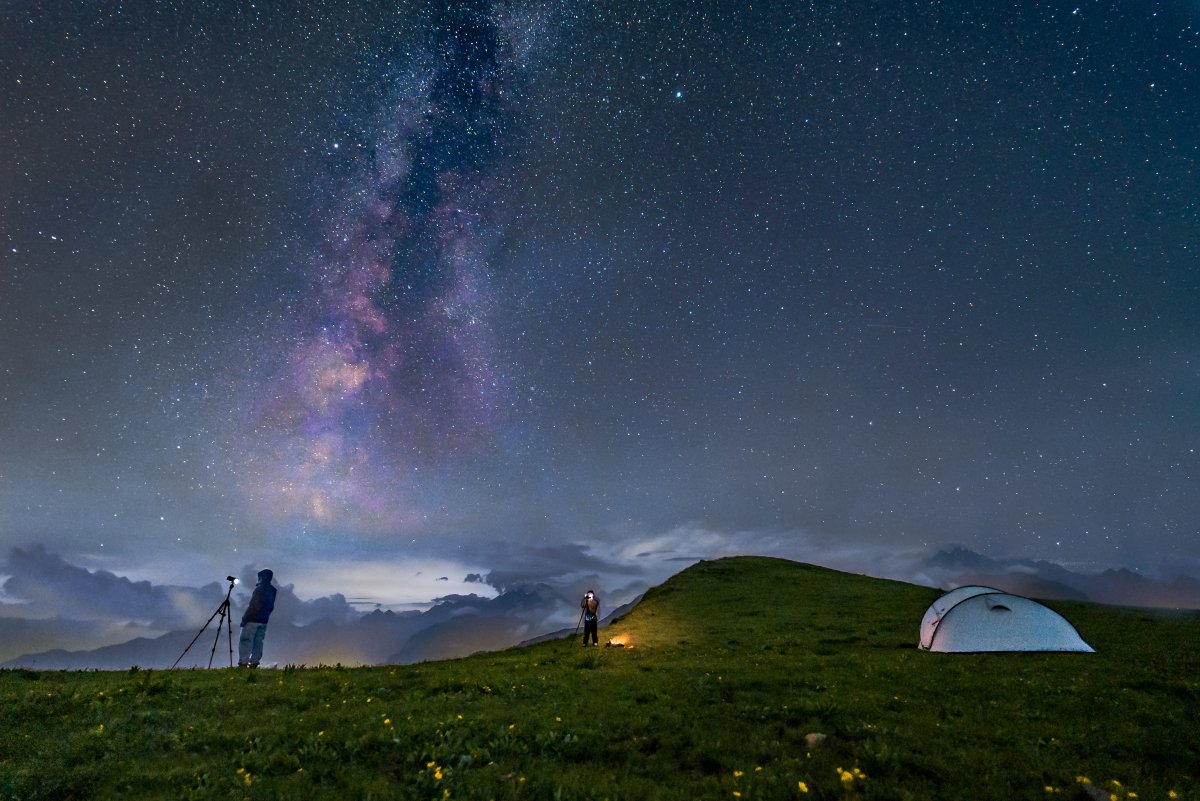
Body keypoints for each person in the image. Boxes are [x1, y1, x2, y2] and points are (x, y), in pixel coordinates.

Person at [238, 568, 276, 667]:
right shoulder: (273, 590)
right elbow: (271, 606)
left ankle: (243, 662)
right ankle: (254, 662)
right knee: (258, 642)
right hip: (263, 620)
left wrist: (245, 619)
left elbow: (254, 605)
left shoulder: (259, 589)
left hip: (252, 620)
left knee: (246, 640)